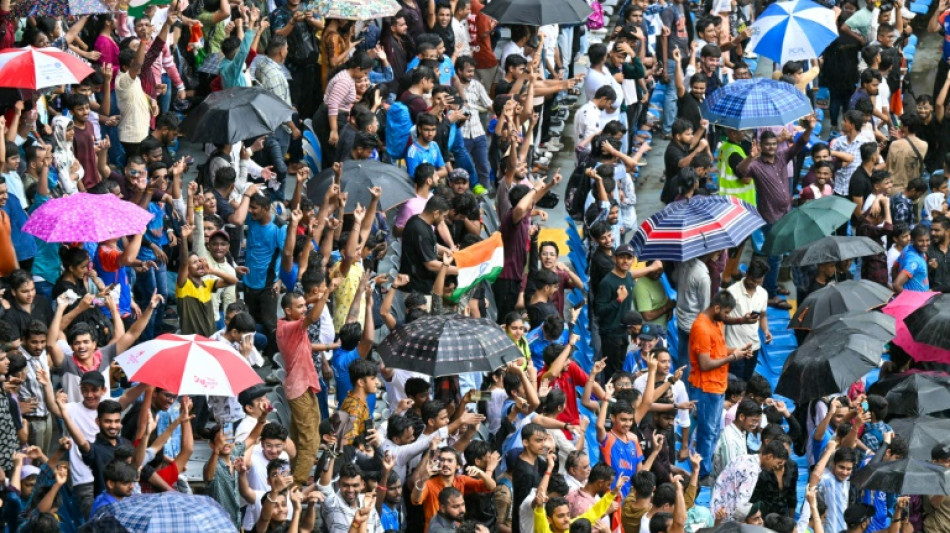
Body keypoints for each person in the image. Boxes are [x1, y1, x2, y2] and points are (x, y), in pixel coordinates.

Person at [689, 291, 754, 482]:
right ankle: (701, 473)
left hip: (718, 385)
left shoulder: (717, 322)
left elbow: (718, 351)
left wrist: (737, 351)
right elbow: (705, 363)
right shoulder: (701, 327)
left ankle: (708, 468)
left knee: (714, 431)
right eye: (725, 312)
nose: (727, 317)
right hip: (705, 387)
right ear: (716, 308)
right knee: (707, 432)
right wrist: (733, 357)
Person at [276, 288, 329, 484]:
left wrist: (329, 347)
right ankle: (296, 485)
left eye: (305, 306)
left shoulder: (288, 323)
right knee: (311, 442)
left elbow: (307, 344)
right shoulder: (291, 327)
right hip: (299, 389)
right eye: (300, 307)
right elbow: (313, 317)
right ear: (289, 311)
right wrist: (326, 293)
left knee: (300, 437)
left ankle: (295, 475)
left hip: (304, 385)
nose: (304, 309)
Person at [723, 260, 771, 382]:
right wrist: (742, 320)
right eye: (752, 281)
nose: (755, 284)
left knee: (747, 381)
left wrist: (766, 330)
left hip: (753, 347)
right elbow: (722, 318)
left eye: (758, 282)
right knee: (735, 384)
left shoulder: (763, 293)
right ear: (747, 274)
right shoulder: (732, 292)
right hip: (735, 348)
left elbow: (763, 315)